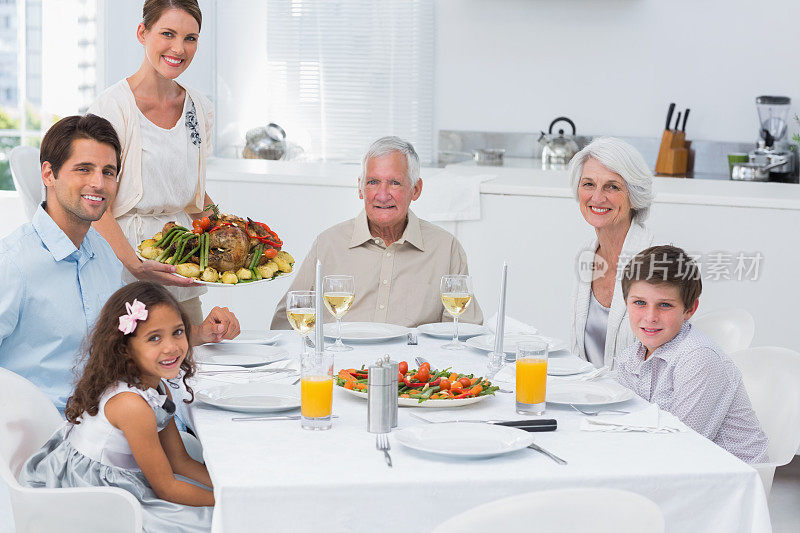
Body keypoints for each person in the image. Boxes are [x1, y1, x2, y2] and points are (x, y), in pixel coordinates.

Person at [0, 114, 239, 412]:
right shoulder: (12, 264)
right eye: (84, 169)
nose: (98, 183)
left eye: (108, 172)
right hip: (45, 437)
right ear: (48, 174)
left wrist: (202, 332)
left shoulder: (103, 253)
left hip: (110, 420)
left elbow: (128, 337)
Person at [20, 282, 213, 532]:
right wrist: (224, 501)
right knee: (208, 522)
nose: (171, 347)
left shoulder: (157, 388)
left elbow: (179, 461)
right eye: (154, 338)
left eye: (177, 332)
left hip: (127, 476)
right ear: (125, 348)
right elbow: (166, 488)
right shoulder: (132, 406)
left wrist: (227, 487)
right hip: (93, 491)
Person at [271, 136, 483, 329]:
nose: (382, 195)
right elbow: (285, 326)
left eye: (394, 183)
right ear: (360, 188)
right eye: (373, 182)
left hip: (411, 369)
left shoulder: (446, 248)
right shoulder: (328, 244)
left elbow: (464, 330)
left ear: (416, 190)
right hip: (340, 367)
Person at [88, 0, 213, 324]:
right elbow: (95, 200)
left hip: (181, 267)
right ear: (143, 32)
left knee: (193, 364)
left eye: (190, 38)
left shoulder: (199, 107)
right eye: (168, 34)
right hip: (123, 268)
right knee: (131, 370)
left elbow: (193, 196)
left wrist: (238, 236)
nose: (179, 48)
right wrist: (135, 263)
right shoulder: (112, 107)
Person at [617, 245, 768, 463]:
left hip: (728, 474)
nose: (650, 317)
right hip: (672, 461)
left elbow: (682, 445)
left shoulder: (699, 357)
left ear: (689, 309)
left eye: (665, 305)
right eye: (640, 303)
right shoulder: (634, 354)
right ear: (626, 303)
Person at [567, 137, 655, 369]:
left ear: (633, 197)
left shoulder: (655, 262)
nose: (597, 197)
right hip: (587, 395)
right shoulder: (586, 253)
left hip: (635, 400)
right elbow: (579, 350)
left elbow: (661, 362)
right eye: (588, 184)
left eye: (612, 187)